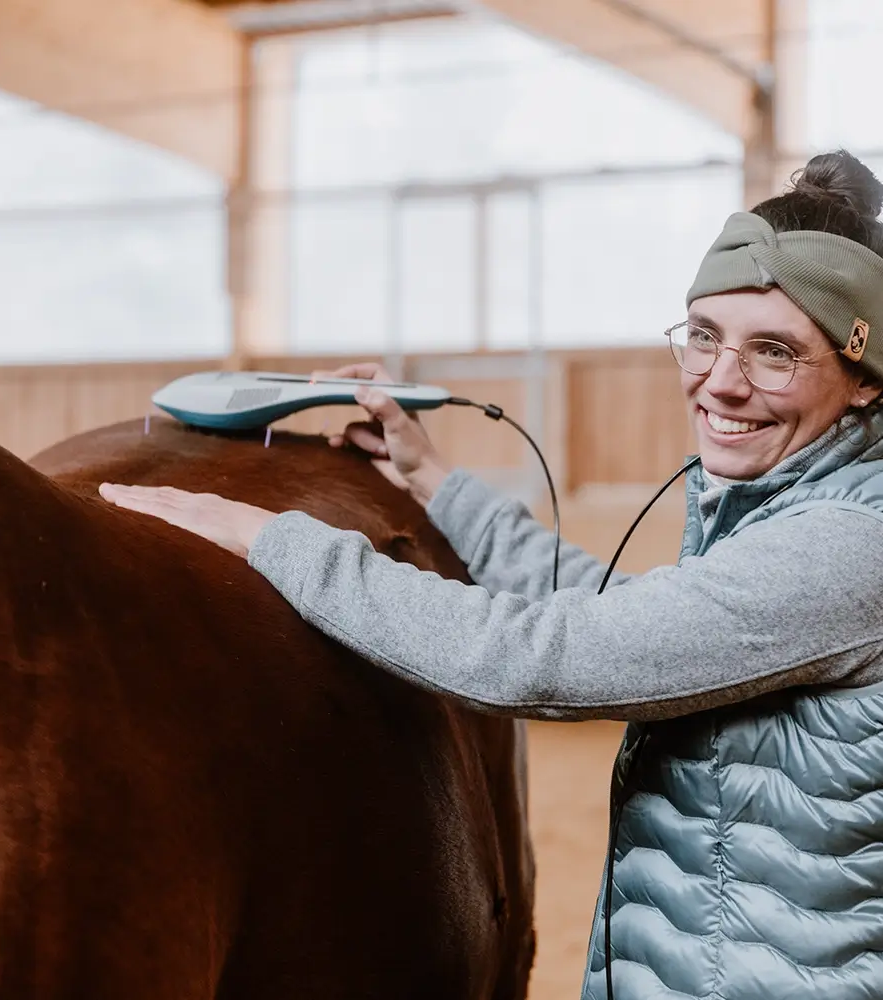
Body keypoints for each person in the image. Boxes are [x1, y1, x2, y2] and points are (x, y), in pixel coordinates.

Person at [100, 150, 883, 1000]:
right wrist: (431, 480)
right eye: (703, 337)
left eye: (775, 352)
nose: (719, 384)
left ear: (864, 384)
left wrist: (275, 540)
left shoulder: (847, 545)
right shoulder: (785, 506)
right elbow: (622, 614)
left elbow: (548, 656)